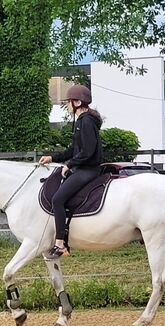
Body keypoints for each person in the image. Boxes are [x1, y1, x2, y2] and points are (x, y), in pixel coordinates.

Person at [39, 84, 103, 258]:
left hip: (88, 169)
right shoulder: (81, 121)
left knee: (58, 199)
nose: (67, 105)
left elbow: (87, 152)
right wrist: (52, 158)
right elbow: (73, 150)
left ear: (77, 102)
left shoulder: (87, 122)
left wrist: (70, 164)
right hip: (82, 167)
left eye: (68, 102)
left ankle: (60, 244)